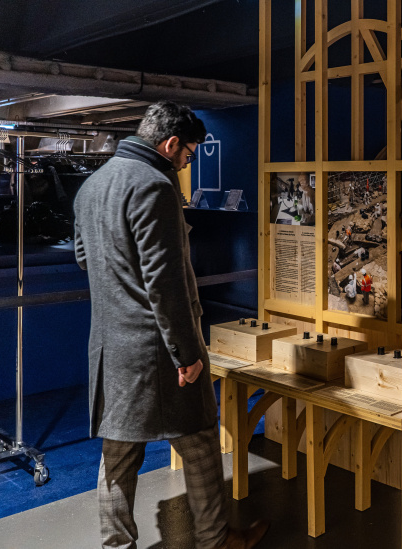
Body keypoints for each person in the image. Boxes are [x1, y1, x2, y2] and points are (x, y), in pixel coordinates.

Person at [73, 101, 269, 549]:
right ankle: (216, 540)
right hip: (158, 353)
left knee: (117, 458)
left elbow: (86, 259)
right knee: (200, 446)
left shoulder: (91, 186)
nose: (189, 163)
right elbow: (166, 283)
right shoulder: (155, 188)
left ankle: (116, 546)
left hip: (109, 349)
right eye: (189, 153)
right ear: (170, 144)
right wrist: (186, 353)